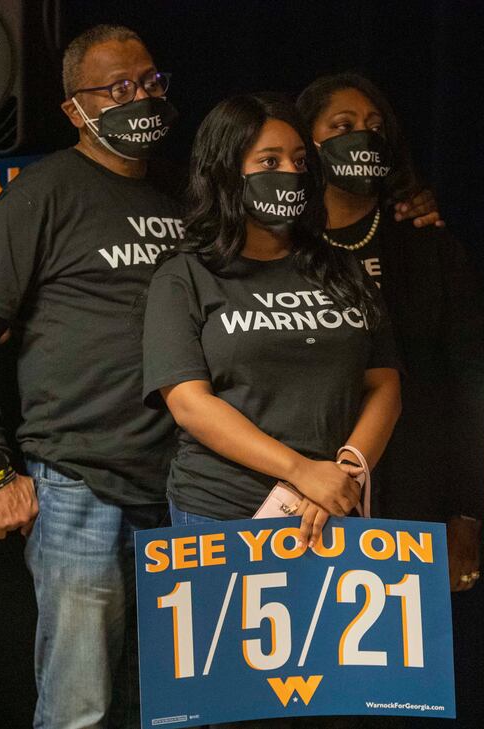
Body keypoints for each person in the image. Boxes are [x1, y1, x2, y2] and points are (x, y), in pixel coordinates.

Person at [0, 24, 182, 729]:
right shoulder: (45, 191)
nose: (140, 97)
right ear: (76, 109)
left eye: (149, 82)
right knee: (81, 708)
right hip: (81, 485)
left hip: (184, 490)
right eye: (118, 88)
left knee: (172, 706)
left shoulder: (183, 193)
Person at [143, 93, 401, 552]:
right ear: (225, 172)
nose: (288, 174)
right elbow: (189, 404)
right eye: (269, 161)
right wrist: (302, 472)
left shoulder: (343, 270)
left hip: (335, 507)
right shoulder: (184, 277)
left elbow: (384, 385)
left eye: (299, 161)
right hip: (219, 511)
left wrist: (343, 476)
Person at [296, 72, 484, 591]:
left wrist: (469, 513)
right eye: (342, 125)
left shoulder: (427, 242)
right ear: (306, 142)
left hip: (418, 494)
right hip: (298, 490)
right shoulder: (279, 247)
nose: (363, 137)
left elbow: (475, 385)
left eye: (374, 126)